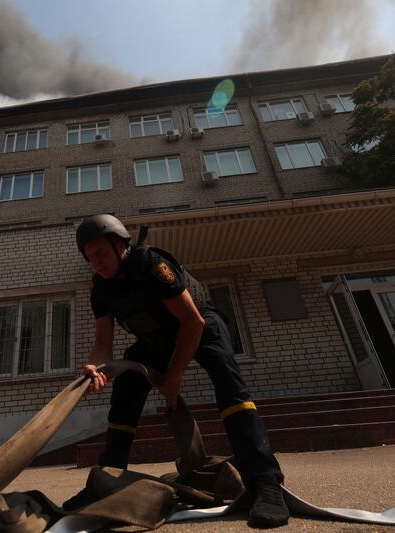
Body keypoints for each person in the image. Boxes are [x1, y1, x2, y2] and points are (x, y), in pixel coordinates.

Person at [63, 214, 289, 528]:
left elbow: (192, 323)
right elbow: (103, 342)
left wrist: (173, 378)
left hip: (200, 325)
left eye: (101, 252)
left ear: (120, 245)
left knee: (227, 381)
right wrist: (95, 367)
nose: (96, 262)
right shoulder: (100, 288)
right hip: (154, 339)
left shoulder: (152, 265)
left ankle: (264, 482)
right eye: (90, 257)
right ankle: (105, 483)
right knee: (127, 383)